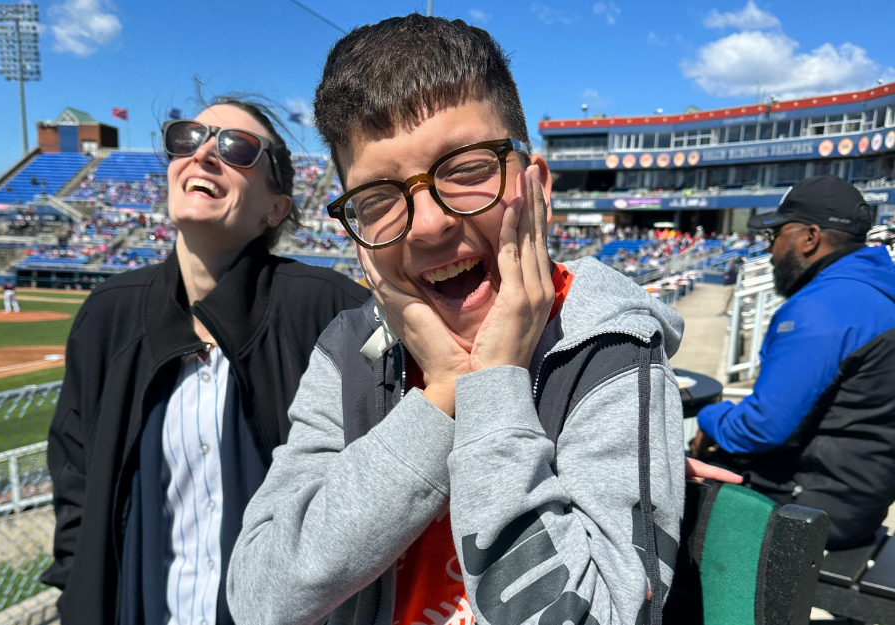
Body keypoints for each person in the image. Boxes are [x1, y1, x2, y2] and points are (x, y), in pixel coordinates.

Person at [228, 15, 688, 625]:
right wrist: (444, 391)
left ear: (538, 187)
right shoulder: (348, 350)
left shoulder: (608, 347)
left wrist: (492, 385)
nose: (428, 223)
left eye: (467, 169)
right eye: (378, 199)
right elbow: (260, 596)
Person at [42, 97, 369, 625]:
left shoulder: (334, 311)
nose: (204, 155)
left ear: (276, 208)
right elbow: (76, 496)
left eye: (237, 148)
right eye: (187, 139)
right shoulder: (107, 316)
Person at [693, 175, 895, 549]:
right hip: (861, 497)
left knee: (671, 491)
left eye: (775, 237)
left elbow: (760, 429)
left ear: (809, 238)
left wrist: (708, 419)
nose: (770, 252)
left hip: (812, 509)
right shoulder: (879, 289)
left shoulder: (822, 307)